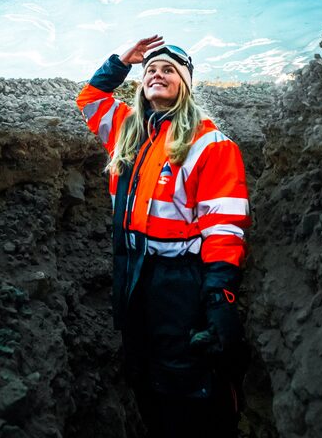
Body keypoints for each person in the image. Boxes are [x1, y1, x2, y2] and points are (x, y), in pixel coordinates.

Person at [76, 35, 251, 438]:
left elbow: (223, 226)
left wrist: (219, 295)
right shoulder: (127, 130)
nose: (157, 74)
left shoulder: (210, 144)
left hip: (181, 280)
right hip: (132, 271)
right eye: (150, 70)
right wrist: (121, 61)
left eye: (169, 70)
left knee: (185, 373)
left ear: (185, 84)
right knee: (141, 366)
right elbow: (89, 99)